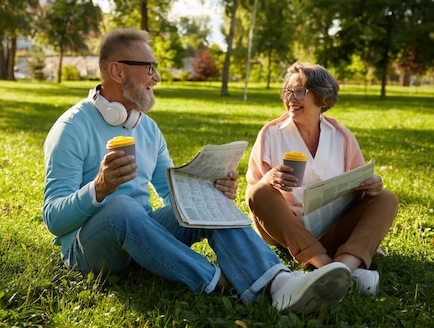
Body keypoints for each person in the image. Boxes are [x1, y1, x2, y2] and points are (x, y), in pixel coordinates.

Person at [43, 28, 353, 314]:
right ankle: (219, 283)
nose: (157, 77)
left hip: (142, 240)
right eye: (149, 68)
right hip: (87, 252)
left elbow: (170, 195)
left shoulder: (146, 128)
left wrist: (210, 192)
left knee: (204, 196)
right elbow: (54, 219)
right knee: (121, 206)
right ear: (117, 70)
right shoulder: (72, 128)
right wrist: (98, 189)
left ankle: (280, 283)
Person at [245, 62, 399, 295]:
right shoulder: (271, 133)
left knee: (387, 198)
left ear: (323, 98)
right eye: (287, 91)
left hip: (330, 227)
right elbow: (253, 193)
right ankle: (329, 267)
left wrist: (373, 185)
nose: (290, 98)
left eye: (299, 92)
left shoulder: (342, 137)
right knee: (259, 192)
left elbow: (360, 187)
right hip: (286, 228)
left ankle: (344, 268)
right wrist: (268, 178)